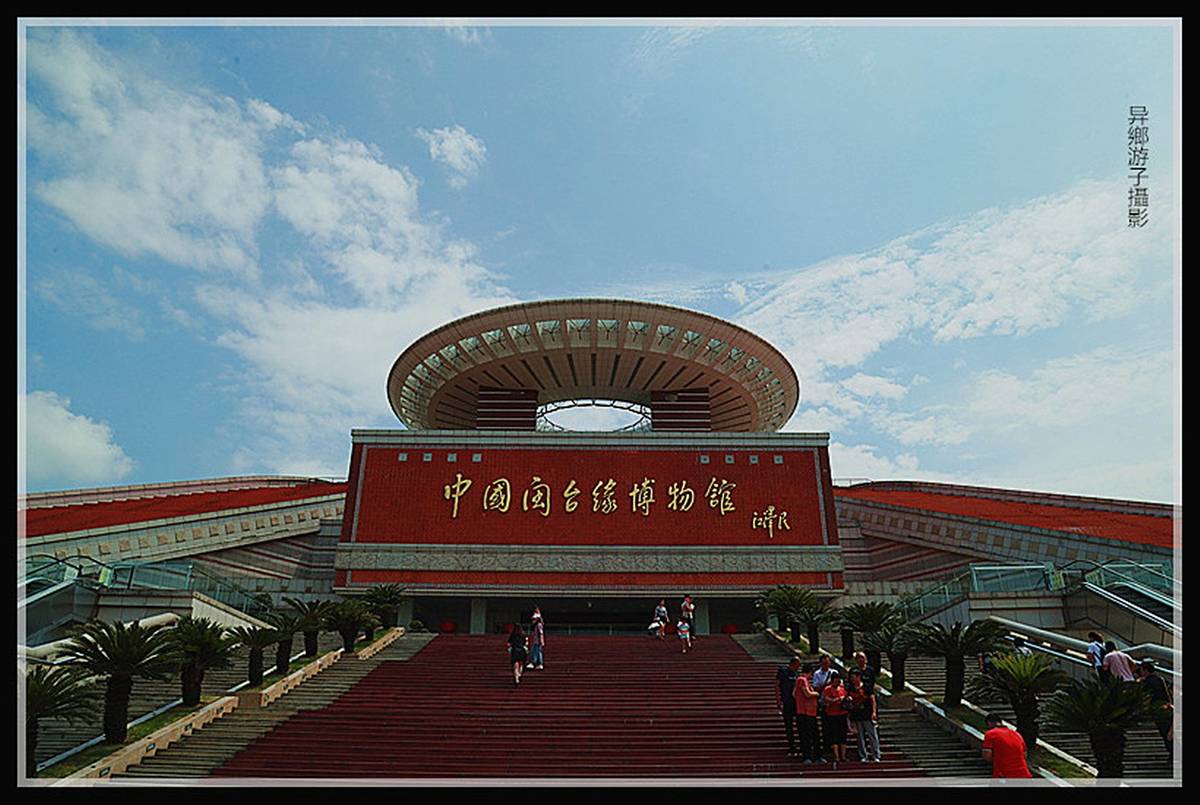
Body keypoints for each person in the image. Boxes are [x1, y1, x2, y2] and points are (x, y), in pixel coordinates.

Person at [1137, 660, 1174, 761]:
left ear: (1145, 670)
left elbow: (1144, 696)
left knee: (1166, 732)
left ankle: (1173, 753)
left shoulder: (1147, 682)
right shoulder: (1161, 679)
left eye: (1141, 670)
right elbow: (1168, 692)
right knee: (1169, 732)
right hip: (1167, 707)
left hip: (1158, 709)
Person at [845, 669, 881, 762]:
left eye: (854, 677)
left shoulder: (866, 687)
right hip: (857, 715)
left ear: (858, 677)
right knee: (860, 737)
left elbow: (872, 699)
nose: (852, 679)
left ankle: (876, 755)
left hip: (867, 714)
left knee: (872, 735)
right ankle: (863, 755)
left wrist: (874, 712)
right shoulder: (850, 688)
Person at [981, 713, 1032, 778]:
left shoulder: (991, 734)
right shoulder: (1017, 734)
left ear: (989, 723)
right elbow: (1024, 755)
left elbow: (987, 755)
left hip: (1004, 774)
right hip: (1024, 774)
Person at [792, 663, 824, 763]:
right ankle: (809, 756)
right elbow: (807, 694)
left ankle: (812, 756)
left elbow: (794, 694)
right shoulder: (802, 680)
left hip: (808, 712)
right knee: (809, 735)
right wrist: (816, 694)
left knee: (811, 735)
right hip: (806, 712)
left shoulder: (799, 680)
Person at [821, 671, 849, 764]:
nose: (838, 683)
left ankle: (843, 756)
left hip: (842, 714)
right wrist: (837, 699)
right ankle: (836, 756)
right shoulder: (827, 689)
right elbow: (826, 699)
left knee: (843, 735)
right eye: (836, 681)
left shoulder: (842, 689)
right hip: (832, 715)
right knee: (834, 736)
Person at [776, 656, 802, 756]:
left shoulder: (797, 674)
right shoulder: (783, 671)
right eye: (798, 665)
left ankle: (800, 744)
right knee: (788, 724)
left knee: (799, 723)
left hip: (796, 702)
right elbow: (777, 685)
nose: (798, 667)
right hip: (787, 701)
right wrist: (778, 699)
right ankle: (792, 745)